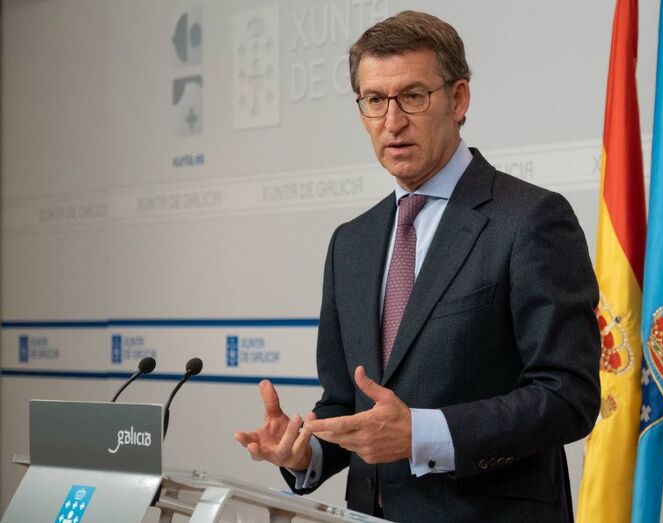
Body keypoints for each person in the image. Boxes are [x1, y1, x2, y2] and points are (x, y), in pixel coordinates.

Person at [235, 10, 600, 522]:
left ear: (458, 99)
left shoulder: (529, 219)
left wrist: (422, 435)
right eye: (374, 100)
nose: (392, 121)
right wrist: (306, 450)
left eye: (412, 96)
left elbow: (568, 396)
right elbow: (347, 403)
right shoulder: (351, 243)